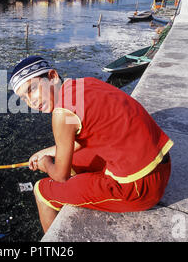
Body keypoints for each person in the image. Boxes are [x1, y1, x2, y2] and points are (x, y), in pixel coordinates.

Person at [9, 56, 173, 233]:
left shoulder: (62, 114)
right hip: (161, 166)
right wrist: (45, 152)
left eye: (32, 89)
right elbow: (83, 139)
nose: (30, 101)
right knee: (74, 161)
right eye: (23, 98)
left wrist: (46, 164)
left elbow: (60, 175)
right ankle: (78, 189)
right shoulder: (84, 84)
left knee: (42, 191)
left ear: (53, 76)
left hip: (140, 188)